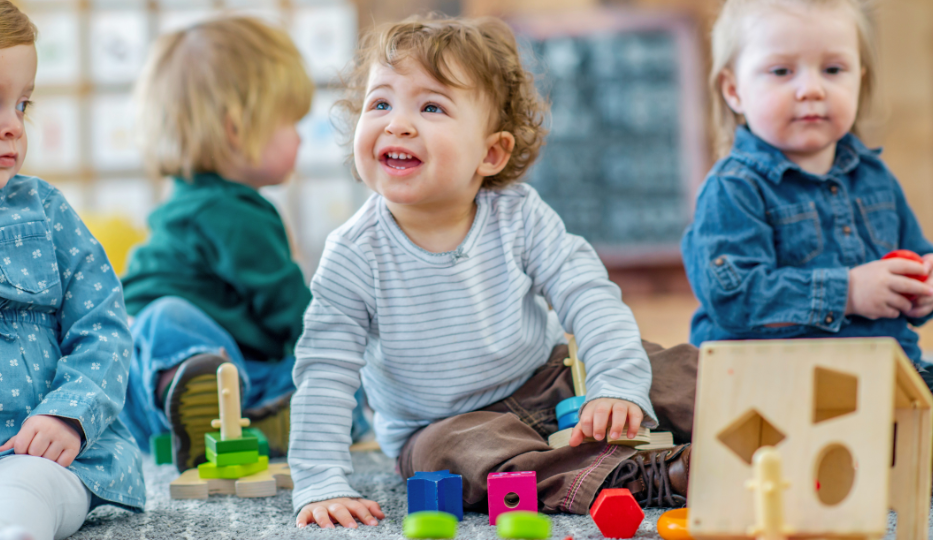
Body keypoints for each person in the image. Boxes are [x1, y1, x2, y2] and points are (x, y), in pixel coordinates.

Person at [290, 15, 699, 529]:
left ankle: (767, 421)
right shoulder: (353, 253)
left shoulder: (519, 214)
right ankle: (651, 475)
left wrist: (615, 384)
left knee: (681, 369)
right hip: (443, 426)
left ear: (491, 152)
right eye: (381, 103)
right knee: (450, 459)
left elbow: (589, 296)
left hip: (553, 379)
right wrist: (319, 480)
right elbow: (324, 373)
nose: (396, 123)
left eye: (431, 106)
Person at [681, 0, 933, 499]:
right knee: (757, 451)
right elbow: (734, 296)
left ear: (859, 80)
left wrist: (927, 288)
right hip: (773, 386)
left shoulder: (875, 177)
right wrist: (848, 292)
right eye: (782, 71)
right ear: (734, 89)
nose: (811, 88)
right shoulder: (734, 188)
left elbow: (923, 256)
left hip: (884, 375)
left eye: (833, 69)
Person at [118, 15, 368, 473]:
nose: (297, 137)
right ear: (236, 128)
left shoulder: (186, 201)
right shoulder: (236, 213)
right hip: (176, 376)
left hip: (147, 397)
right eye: (290, 123)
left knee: (318, 385)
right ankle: (206, 401)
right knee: (168, 318)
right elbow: (294, 312)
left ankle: (240, 422)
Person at [0, 2, 144, 539]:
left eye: (22, 105)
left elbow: (103, 328)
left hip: (36, 454)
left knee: (25, 498)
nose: (12, 126)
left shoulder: (46, 211)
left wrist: (69, 414)